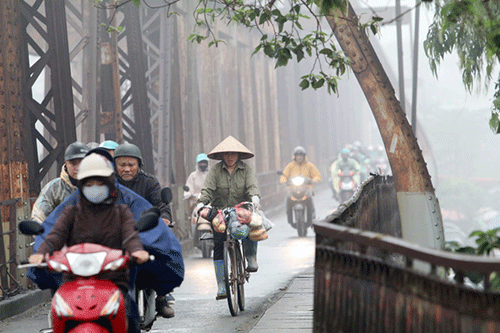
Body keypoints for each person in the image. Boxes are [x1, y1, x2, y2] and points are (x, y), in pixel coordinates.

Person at [28, 147, 184, 321]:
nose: (95, 187)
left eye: (100, 182)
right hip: (76, 277)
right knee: (60, 313)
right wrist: (40, 252)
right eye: (89, 183)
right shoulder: (70, 210)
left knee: (129, 316)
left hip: (114, 276)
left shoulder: (122, 210)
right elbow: (54, 234)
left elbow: (131, 234)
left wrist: (138, 250)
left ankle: (159, 299)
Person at [113, 142, 175, 317]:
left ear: (139, 165)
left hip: (145, 232)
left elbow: (161, 204)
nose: (126, 169)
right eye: (122, 164)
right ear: (115, 165)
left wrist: (164, 218)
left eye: (131, 165)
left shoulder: (150, 183)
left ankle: (162, 297)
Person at [196, 135, 261, 300]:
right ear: (222, 156)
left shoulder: (245, 170)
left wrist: (254, 198)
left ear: (239, 155)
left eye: (233, 154)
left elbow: (252, 186)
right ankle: (221, 285)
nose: (230, 157)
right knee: (218, 243)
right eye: (227, 154)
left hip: (240, 212)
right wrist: (201, 203)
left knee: (251, 226)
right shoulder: (215, 171)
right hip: (221, 213)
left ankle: (250, 257)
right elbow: (208, 189)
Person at [31, 141, 89, 224]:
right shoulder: (54, 188)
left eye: (82, 162)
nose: (77, 168)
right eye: (73, 163)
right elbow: (39, 216)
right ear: (66, 163)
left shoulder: (99, 186)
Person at [279, 146, 322, 225]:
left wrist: (315, 179)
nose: (299, 157)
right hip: (293, 188)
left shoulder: (309, 165)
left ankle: (312, 217)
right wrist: (283, 180)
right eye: (297, 155)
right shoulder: (290, 166)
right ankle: (289, 216)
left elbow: (317, 175)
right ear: (295, 156)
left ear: (304, 156)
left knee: (309, 197)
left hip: (306, 188)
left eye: (301, 155)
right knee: (288, 198)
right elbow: (284, 175)